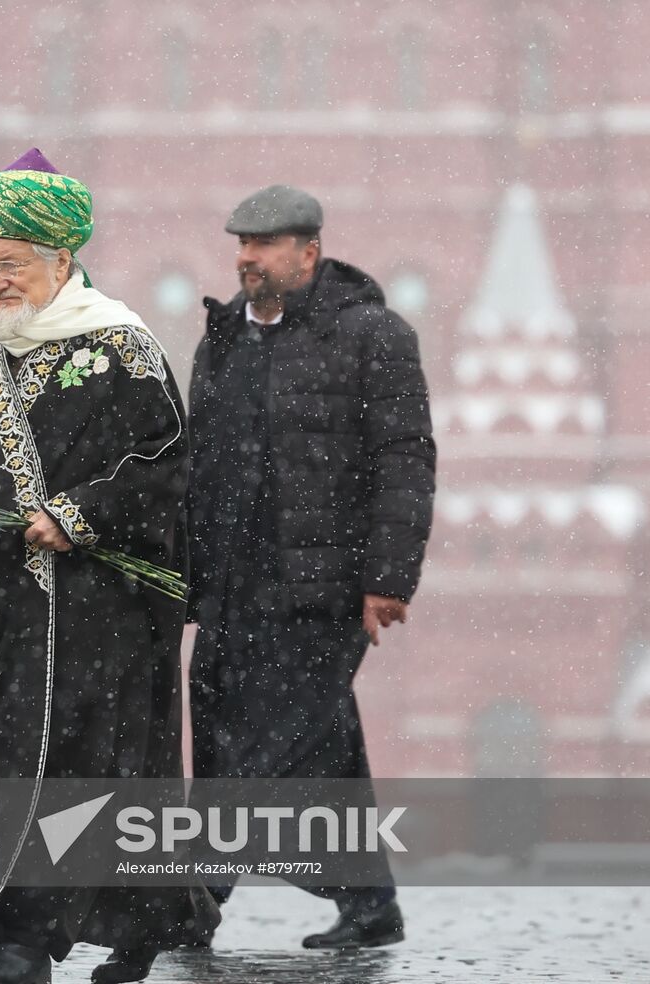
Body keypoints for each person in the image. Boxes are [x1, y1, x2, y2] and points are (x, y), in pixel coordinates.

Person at [0, 149, 218, 984]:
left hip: (89, 616)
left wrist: (79, 512)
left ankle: (15, 940)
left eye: (12, 264)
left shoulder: (123, 349)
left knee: (50, 768)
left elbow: (169, 465)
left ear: (63, 259)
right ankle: (43, 922)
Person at [186, 185, 436, 948]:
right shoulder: (222, 337)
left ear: (309, 253)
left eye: (262, 246)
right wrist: (189, 578)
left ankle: (193, 896)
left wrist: (389, 578)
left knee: (265, 743)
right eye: (241, 245)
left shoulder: (372, 335)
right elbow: (201, 464)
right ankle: (368, 904)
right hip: (233, 584)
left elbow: (405, 460)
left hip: (321, 591)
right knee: (305, 739)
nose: (246, 259)